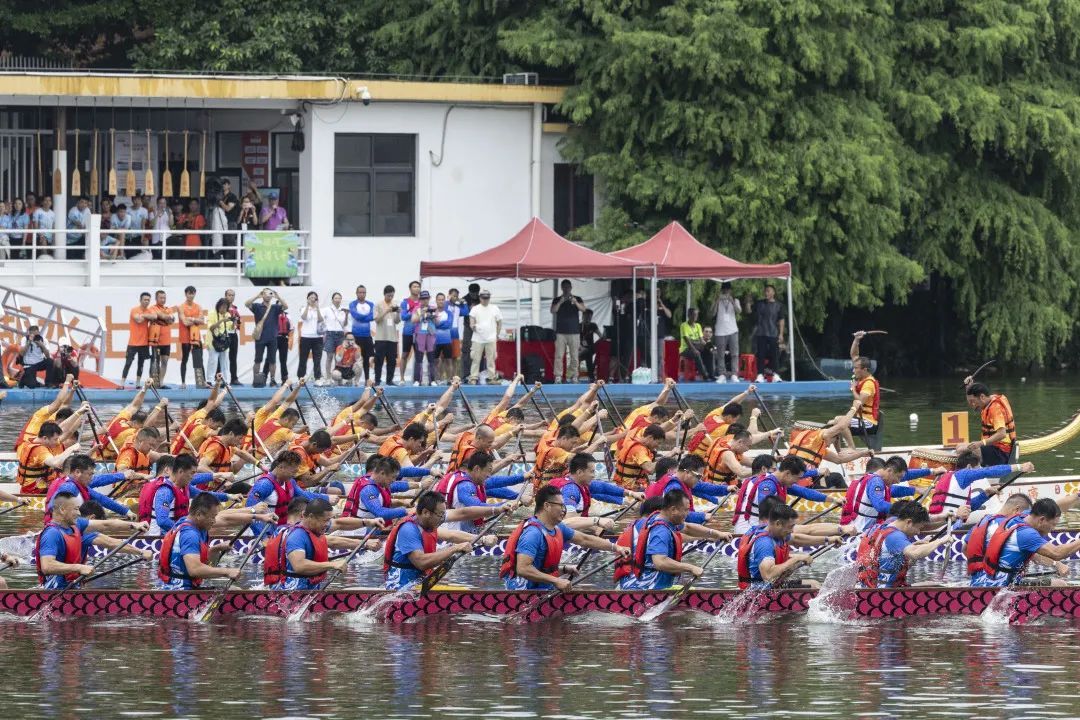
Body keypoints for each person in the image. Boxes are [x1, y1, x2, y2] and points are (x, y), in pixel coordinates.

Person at [501, 484, 630, 591]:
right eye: (561, 505)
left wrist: (616, 548)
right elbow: (523, 569)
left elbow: (585, 539)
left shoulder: (558, 527)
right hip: (522, 591)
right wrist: (556, 580)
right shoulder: (532, 533)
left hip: (541, 586)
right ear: (547, 506)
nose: (564, 510)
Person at [36, 491, 151, 590]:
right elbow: (47, 566)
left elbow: (106, 524)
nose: (79, 513)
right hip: (55, 589)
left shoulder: (76, 525)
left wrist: (134, 525)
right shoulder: (52, 534)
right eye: (76, 509)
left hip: (72, 587)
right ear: (62, 509)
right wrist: (79, 567)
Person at [613, 490, 723, 590]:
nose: (688, 514)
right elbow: (660, 562)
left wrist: (716, 534)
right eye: (686, 510)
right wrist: (690, 568)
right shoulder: (661, 530)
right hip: (644, 588)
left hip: (631, 583)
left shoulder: (655, 519)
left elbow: (687, 528)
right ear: (673, 509)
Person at [157, 493, 266, 590]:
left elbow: (225, 517)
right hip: (180, 590)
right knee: (235, 590)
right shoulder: (190, 535)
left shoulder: (187, 521)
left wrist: (215, 549)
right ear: (199, 515)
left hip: (180, 586)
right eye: (212, 517)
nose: (214, 521)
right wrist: (227, 572)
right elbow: (194, 569)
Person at [969, 498, 1080, 588]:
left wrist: (1077, 496)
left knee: (1057, 583)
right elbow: (1057, 553)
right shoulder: (1026, 534)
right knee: (1060, 585)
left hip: (986, 581)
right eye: (1053, 525)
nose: (1053, 529)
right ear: (1041, 520)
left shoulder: (1021, 517)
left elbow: (1057, 505)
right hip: (999, 587)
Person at [383, 491, 479, 590]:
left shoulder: (426, 524)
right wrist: (454, 548)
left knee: (463, 587)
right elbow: (421, 562)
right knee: (463, 590)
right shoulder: (408, 529)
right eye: (440, 515)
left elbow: (452, 534)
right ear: (426, 512)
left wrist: (482, 539)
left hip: (419, 581)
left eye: (443, 515)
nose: (442, 519)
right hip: (400, 586)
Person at [855, 502, 952, 588]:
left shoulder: (887, 525)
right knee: (936, 588)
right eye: (918, 528)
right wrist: (940, 541)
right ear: (909, 522)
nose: (918, 532)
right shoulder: (895, 536)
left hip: (872, 587)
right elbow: (915, 553)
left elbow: (891, 560)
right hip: (884, 593)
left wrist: (915, 545)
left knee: (932, 584)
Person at [263, 498, 348, 590]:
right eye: (325, 520)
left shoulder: (311, 532)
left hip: (308, 590)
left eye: (329, 520)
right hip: (289, 592)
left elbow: (334, 541)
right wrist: (332, 565)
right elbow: (299, 566)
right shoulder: (297, 536)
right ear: (311, 516)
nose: (327, 524)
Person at [731, 456, 830, 534]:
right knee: (808, 530)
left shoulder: (779, 481)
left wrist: (831, 500)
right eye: (774, 468)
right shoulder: (768, 485)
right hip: (748, 529)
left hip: (760, 525)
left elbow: (804, 492)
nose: (797, 481)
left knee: (805, 529)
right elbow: (764, 511)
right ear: (787, 473)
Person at [840, 456, 939, 534]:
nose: (899, 481)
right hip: (860, 531)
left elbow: (895, 487)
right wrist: (906, 510)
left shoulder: (874, 480)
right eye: (898, 477)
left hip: (860, 528)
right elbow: (880, 505)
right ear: (889, 471)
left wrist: (932, 471)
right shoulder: (876, 482)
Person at [927, 451, 1034, 521]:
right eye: (978, 469)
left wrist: (986, 494)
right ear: (969, 467)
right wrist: (1019, 467)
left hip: (942, 522)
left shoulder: (952, 479)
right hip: (943, 526)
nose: (979, 472)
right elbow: (989, 471)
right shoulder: (963, 475)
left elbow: (969, 508)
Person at [43, 453, 139, 522]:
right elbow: (53, 508)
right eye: (90, 474)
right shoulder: (69, 488)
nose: (92, 478)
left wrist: (126, 511)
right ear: (77, 472)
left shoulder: (75, 483)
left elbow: (100, 490)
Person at [963, 380, 1017, 465]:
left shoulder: (995, 409)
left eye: (973, 401)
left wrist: (981, 443)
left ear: (982, 397)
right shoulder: (988, 399)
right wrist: (969, 387)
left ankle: (976, 471)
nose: (972, 405)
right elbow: (977, 393)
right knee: (959, 447)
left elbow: (1002, 434)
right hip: (994, 447)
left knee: (966, 450)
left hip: (1002, 452)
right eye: (970, 402)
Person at [246, 287, 288, 386]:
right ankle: (255, 380)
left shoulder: (275, 307)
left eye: (270, 293)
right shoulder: (257, 306)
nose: (268, 295)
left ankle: (272, 380)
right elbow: (247, 304)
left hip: (272, 338)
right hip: (260, 338)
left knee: (272, 361)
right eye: (265, 293)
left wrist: (277, 296)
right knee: (258, 360)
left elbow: (286, 306)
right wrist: (257, 296)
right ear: (262, 294)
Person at [551, 280, 586, 383]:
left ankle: (573, 375)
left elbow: (583, 309)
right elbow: (553, 310)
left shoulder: (577, 298)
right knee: (559, 355)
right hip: (560, 332)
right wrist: (560, 302)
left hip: (574, 332)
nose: (566, 289)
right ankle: (558, 376)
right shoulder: (557, 299)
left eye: (568, 287)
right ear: (562, 288)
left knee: (574, 356)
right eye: (564, 287)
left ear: (571, 287)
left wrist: (575, 302)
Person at [612, 424, 666, 490]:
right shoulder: (639, 450)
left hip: (625, 485)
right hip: (630, 488)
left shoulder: (634, 440)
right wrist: (668, 456)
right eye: (658, 443)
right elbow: (650, 469)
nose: (658, 446)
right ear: (650, 438)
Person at [849, 331, 881, 440]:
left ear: (864, 370)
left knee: (840, 424)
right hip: (861, 418)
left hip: (868, 422)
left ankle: (851, 448)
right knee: (835, 422)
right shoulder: (861, 376)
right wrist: (856, 339)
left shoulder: (868, 383)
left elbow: (859, 403)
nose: (853, 371)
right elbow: (854, 355)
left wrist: (853, 389)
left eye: (855, 368)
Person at [751, 284, 785, 381]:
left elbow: (781, 320)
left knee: (775, 354)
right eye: (765, 291)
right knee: (761, 354)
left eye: (768, 291)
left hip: (773, 333)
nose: (766, 293)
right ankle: (760, 374)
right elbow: (749, 311)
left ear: (773, 293)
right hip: (761, 332)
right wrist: (748, 303)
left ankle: (776, 374)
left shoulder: (779, 305)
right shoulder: (759, 303)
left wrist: (781, 334)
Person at [468, 289, 502, 384]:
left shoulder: (495, 308)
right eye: (483, 298)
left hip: (491, 338)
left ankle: (491, 378)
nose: (485, 300)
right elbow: (471, 322)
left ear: (489, 298)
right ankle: (473, 378)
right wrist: (473, 327)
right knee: (476, 359)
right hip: (477, 338)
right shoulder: (475, 309)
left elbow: (499, 322)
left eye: (487, 298)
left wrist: (497, 334)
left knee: (491, 360)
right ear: (480, 298)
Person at [120, 292, 153, 387]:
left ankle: (138, 383)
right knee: (128, 363)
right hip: (133, 342)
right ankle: (122, 383)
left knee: (141, 363)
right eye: (145, 299)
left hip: (144, 343)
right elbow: (138, 320)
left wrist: (143, 315)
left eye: (148, 300)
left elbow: (154, 317)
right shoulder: (134, 310)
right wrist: (146, 316)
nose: (147, 301)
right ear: (140, 300)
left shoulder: (149, 311)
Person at [177, 285, 207, 390]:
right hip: (185, 337)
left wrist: (192, 319)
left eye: (193, 293)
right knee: (185, 359)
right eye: (189, 293)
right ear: (186, 294)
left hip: (196, 336)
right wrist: (195, 320)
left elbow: (202, 321)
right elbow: (184, 322)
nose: (191, 295)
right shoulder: (181, 307)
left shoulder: (198, 306)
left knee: (199, 359)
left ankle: (203, 382)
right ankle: (183, 382)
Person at [373, 284, 401, 386]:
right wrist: (386, 311)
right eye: (389, 295)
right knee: (379, 360)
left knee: (392, 361)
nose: (390, 297)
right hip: (381, 338)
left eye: (392, 296)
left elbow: (397, 321)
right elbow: (377, 319)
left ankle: (389, 380)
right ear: (384, 294)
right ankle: (377, 380)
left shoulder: (394, 304)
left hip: (392, 338)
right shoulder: (378, 304)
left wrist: (398, 312)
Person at [411, 290, 439, 386]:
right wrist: (422, 314)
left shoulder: (433, 308)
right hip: (420, 335)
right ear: (420, 299)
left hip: (431, 334)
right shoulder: (417, 308)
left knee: (431, 358)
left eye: (426, 298)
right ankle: (417, 380)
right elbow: (413, 320)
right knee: (419, 358)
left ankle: (432, 380)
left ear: (429, 298)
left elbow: (438, 322)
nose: (425, 300)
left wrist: (433, 316)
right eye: (423, 299)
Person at [147, 290, 175, 386]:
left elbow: (171, 321)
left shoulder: (168, 309)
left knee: (165, 362)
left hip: (166, 341)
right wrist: (165, 317)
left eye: (164, 298)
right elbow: (160, 316)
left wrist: (164, 317)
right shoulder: (152, 308)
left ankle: (161, 382)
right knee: (155, 362)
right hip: (156, 340)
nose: (163, 300)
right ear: (156, 298)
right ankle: (152, 382)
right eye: (161, 298)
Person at [296, 291, 324, 382]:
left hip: (317, 338)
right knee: (303, 358)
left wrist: (317, 307)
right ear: (307, 299)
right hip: (305, 337)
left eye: (314, 297)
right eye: (311, 297)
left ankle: (317, 378)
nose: (312, 299)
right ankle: (301, 377)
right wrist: (308, 306)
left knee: (317, 359)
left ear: (317, 299)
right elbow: (304, 317)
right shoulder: (303, 308)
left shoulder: (320, 309)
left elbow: (320, 319)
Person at [321, 291, 350, 382]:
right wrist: (324, 329)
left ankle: (338, 377)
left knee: (338, 358)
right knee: (329, 356)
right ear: (332, 300)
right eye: (336, 298)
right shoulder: (327, 309)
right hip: (330, 334)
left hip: (340, 334)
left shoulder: (343, 310)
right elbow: (320, 319)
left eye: (339, 298)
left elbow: (345, 324)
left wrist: (346, 314)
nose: (337, 300)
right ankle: (328, 377)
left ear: (341, 300)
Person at [205, 297, 235, 383]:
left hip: (224, 342)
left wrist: (234, 323)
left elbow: (231, 330)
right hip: (213, 341)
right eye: (222, 307)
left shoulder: (228, 315)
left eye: (225, 307)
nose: (223, 309)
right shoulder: (212, 313)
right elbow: (211, 327)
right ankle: (210, 381)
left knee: (225, 362)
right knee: (213, 361)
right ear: (218, 306)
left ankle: (225, 381)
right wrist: (221, 321)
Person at [399, 280, 423, 384]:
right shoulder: (405, 302)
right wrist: (415, 311)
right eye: (414, 286)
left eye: (418, 287)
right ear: (410, 289)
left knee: (419, 356)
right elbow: (403, 317)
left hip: (420, 333)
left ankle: (418, 379)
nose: (417, 288)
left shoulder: (423, 302)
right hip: (408, 332)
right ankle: (402, 378)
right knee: (405, 354)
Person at [678, 308, 711, 380]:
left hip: (696, 346)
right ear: (689, 315)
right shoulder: (684, 325)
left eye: (697, 314)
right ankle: (705, 375)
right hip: (685, 349)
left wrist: (708, 347)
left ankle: (712, 374)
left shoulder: (698, 325)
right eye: (694, 314)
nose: (696, 316)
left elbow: (701, 340)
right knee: (697, 353)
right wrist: (694, 349)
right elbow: (687, 340)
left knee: (710, 352)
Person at [459, 283, 481, 379]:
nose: (474, 295)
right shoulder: (464, 299)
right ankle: (466, 374)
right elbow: (460, 313)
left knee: (479, 350)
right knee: (466, 350)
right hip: (468, 327)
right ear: (469, 292)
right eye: (473, 294)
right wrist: (468, 308)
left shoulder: (481, 299)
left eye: (476, 293)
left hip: (479, 328)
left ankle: (478, 373)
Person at [224, 288, 242, 384]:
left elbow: (239, 321)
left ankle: (234, 378)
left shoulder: (236, 308)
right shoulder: (222, 308)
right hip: (224, 334)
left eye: (233, 295)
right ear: (225, 296)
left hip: (233, 334)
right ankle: (220, 378)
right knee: (221, 357)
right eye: (229, 295)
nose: (231, 297)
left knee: (233, 357)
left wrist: (237, 321)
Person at [579, 309, 601, 382]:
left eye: (590, 317)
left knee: (588, 352)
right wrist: (581, 347)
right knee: (588, 355)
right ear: (583, 316)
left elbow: (600, 335)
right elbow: (576, 339)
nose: (588, 318)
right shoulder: (579, 326)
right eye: (587, 317)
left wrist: (598, 342)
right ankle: (591, 376)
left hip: (591, 347)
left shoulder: (593, 325)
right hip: (581, 348)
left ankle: (591, 376)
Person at [66, 195, 91, 260]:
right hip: (69, 239)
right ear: (78, 202)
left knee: (80, 258)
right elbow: (79, 225)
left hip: (79, 238)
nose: (84, 204)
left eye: (85, 203)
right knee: (71, 259)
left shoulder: (87, 210)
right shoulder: (73, 211)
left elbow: (87, 223)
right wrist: (85, 234)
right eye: (82, 202)